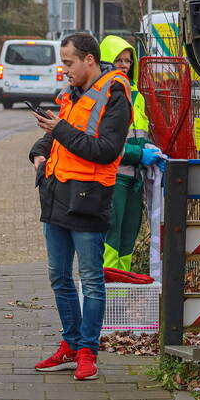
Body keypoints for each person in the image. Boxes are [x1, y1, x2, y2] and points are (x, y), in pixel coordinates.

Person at [28, 33, 133, 381]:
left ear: (90, 60)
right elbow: (58, 135)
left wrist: (59, 130)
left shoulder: (115, 94)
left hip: (89, 200)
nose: (65, 69)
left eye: (69, 63)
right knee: (59, 277)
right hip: (57, 195)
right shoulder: (71, 94)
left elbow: (105, 150)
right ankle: (71, 346)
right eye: (63, 63)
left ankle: (88, 351)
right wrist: (39, 151)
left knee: (91, 281)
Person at [99, 35, 162, 272]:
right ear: (107, 62)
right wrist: (138, 153)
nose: (124, 65)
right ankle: (107, 287)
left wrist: (150, 149)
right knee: (112, 235)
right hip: (113, 176)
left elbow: (139, 133)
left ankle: (122, 286)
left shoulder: (137, 96)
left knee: (128, 236)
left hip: (135, 178)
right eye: (118, 60)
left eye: (128, 61)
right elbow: (103, 143)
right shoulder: (102, 95)